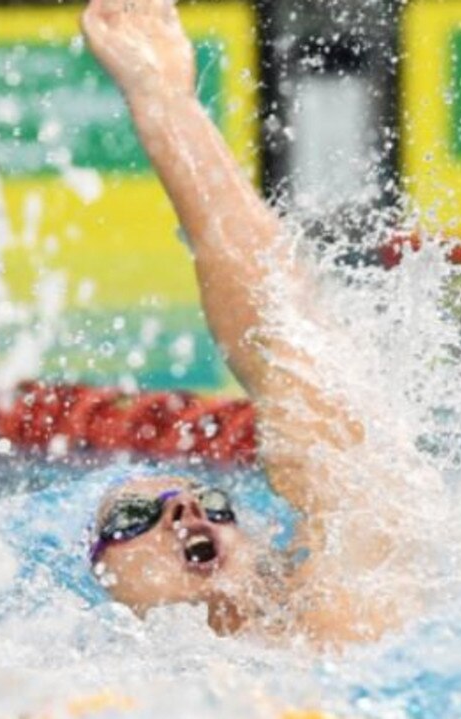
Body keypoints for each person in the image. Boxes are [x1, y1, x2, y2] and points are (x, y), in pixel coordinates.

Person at [80, 0, 418, 648]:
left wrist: (166, 103)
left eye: (214, 503)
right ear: (102, 581)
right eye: (130, 518)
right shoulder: (83, 684)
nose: (185, 508)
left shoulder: (339, 623)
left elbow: (286, 336)